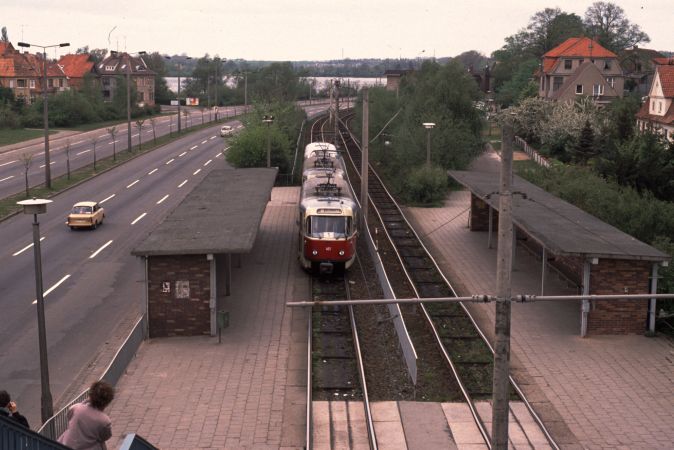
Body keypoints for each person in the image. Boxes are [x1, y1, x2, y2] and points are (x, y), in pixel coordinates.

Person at [57, 381, 115, 450]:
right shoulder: (104, 420)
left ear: (90, 395)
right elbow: (105, 436)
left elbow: (69, 416)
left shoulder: (76, 408)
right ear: (107, 402)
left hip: (65, 446)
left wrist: (85, 402)